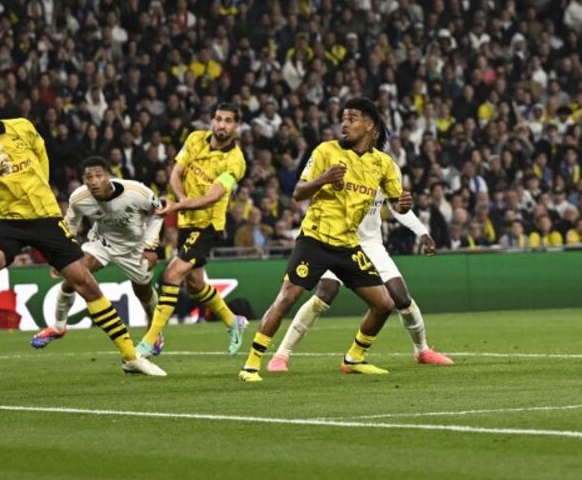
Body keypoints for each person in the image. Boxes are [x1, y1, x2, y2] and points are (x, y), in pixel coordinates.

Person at [0, 84, 164, 381]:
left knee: (84, 282)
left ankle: (130, 356)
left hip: (44, 216)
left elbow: (42, 157)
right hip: (7, 221)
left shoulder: (22, 127)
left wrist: (37, 188)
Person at [238, 97, 410, 380]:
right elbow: (298, 192)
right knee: (287, 297)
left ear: (371, 126)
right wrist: (325, 179)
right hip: (315, 239)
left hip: (348, 245)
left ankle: (354, 358)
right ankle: (252, 363)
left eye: (352, 118)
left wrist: (404, 205)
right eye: (343, 118)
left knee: (383, 304)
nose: (345, 123)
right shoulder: (326, 151)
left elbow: (396, 204)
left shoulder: (383, 164)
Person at [267, 127, 453, 371]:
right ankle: (281, 355)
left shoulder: (385, 166)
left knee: (400, 297)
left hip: (371, 244)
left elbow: (397, 206)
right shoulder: (336, 157)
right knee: (326, 291)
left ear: (373, 132)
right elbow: (309, 192)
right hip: (335, 240)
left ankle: (422, 350)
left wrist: (422, 232)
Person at [135, 103, 249, 358]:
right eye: (218, 119)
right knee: (196, 284)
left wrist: (178, 204)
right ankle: (233, 321)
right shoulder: (195, 139)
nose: (221, 124)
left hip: (208, 225)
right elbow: (176, 173)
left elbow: (213, 196)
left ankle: (149, 341)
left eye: (228, 121)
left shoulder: (235, 161)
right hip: (187, 222)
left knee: (171, 276)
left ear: (236, 126)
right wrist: (182, 201)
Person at [31, 157, 165, 351]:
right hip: (101, 243)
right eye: (88, 177)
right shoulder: (79, 198)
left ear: (108, 176)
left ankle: (154, 332)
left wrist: (150, 247)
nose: (93, 181)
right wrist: (60, 256)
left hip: (135, 247)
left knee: (143, 292)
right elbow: (70, 224)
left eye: (98, 175)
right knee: (73, 277)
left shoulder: (136, 191)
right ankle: (58, 327)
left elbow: (159, 211)